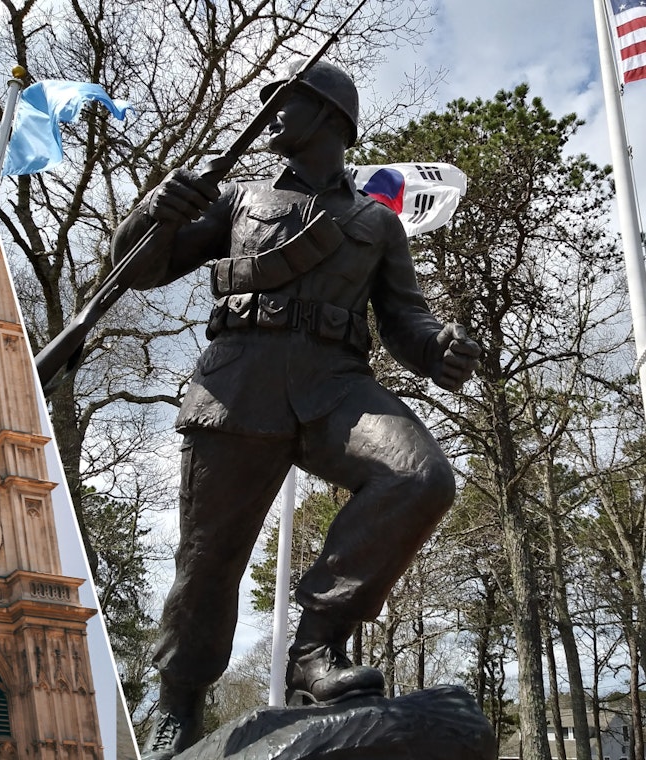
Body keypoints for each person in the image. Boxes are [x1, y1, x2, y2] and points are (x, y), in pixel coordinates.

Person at [112, 59, 482, 757]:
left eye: (288, 102)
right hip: (239, 383)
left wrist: (442, 352)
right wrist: (155, 211)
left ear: (331, 118)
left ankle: (317, 648)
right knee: (208, 557)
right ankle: (178, 701)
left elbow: (406, 321)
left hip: (335, 386)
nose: (271, 113)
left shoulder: (376, 222)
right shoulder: (240, 200)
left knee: (420, 477)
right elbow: (141, 271)